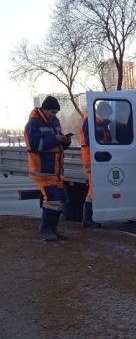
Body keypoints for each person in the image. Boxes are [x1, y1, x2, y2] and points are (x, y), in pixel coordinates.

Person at [24, 95, 72, 242]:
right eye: (52, 112)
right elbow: (34, 145)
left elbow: (57, 145)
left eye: (56, 112)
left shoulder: (54, 121)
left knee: (62, 199)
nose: (54, 115)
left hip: (55, 171)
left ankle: (53, 230)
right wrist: (55, 139)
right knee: (52, 199)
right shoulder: (33, 123)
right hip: (42, 170)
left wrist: (65, 141)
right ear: (44, 109)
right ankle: (45, 230)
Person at [79, 101, 113, 228]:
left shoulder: (100, 124)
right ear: (101, 114)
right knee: (93, 191)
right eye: (108, 116)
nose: (109, 118)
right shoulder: (90, 122)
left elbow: (106, 140)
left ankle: (91, 218)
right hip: (92, 161)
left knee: (96, 190)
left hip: (99, 161)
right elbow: (91, 141)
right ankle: (87, 220)